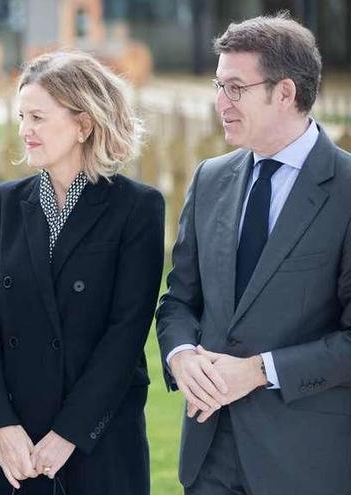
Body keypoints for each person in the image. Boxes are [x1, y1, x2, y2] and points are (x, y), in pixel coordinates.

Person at [156, 13, 351, 495]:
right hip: (209, 455)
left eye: (236, 88)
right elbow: (179, 300)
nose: (220, 103)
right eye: (218, 86)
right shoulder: (210, 178)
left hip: (306, 463)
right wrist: (181, 356)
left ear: (285, 92)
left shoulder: (347, 189)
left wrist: (259, 371)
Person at [0, 51, 165, 495]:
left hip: (99, 439)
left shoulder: (136, 208)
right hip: (13, 445)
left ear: (84, 124)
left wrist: (69, 434)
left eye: (37, 116)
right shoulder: (7, 204)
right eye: (21, 116)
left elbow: (126, 334)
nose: (24, 130)